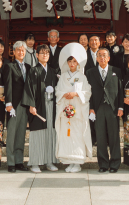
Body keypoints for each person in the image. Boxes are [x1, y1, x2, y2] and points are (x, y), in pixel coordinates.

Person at [85, 47, 124, 173]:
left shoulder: (116, 71)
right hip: (97, 108)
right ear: (96, 58)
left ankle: (114, 164)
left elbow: (120, 89)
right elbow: (88, 92)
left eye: (104, 55)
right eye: (99, 55)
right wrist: (90, 108)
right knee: (100, 137)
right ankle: (102, 164)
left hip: (112, 107)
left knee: (114, 137)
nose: (102, 57)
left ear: (108, 58)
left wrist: (120, 106)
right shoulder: (90, 72)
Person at [55, 44, 92, 173]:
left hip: (78, 111)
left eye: (74, 61)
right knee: (66, 135)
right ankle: (69, 161)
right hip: (65, 110)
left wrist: (76, 94)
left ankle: (78, 162)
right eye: (70, 61)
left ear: (78, 63)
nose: (72, 63)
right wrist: (64, 94)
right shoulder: (63, 77)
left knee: (77, 135)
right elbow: (57, 91)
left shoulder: (82, 77)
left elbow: (87, 92)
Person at [23, 44, 58, 172]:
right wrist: (31, 105)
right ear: (37, 55)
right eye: (42, 53)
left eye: (47, 53)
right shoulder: (33, 70)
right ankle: (35, 163)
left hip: (51, 105)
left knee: (51, 133)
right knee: (37, 134)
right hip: (38, 106)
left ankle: (49, 161)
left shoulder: (53, 71)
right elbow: (29, 88)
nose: (45, 55)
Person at [4, 41, 30, 172]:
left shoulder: (29, 67)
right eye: (18, 50)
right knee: (12, 133)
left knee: (21, 133)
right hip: (13, 105)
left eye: (23, 50)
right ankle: (11, 162)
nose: (21, 52)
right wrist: (8, 103)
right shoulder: (9, 66)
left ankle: (19, 161)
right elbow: (8, 85)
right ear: (14, 52)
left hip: (25, 104)